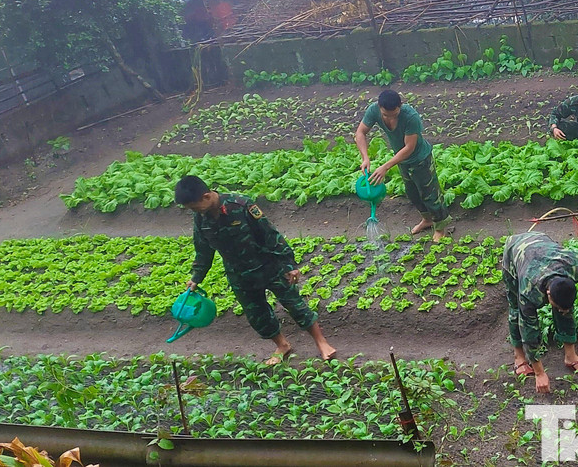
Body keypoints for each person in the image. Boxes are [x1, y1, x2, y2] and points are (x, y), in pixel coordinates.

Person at [175, 175, 337, 364]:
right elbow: (203, 250)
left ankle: (321, 342)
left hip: (269, 266)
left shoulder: (241, 205)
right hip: (240, 275)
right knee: (257, 315)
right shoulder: (201, 219)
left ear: (206, 196)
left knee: (295, 305)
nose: (195, 212)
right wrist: (196, 278)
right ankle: (282, 345)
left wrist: (289, 265)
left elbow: (270, 234)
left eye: (195, 207)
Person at [503, 230, 578, 394]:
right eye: (556, 306)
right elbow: (529, 329)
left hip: (541, 240)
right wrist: (539, 373)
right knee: (517, 309)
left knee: (565, 311)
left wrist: (563, 308)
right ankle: (519, 358)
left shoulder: (574, 264)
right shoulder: (529, 289)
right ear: (548, 294)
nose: (560, 310)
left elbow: (565, 306)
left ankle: (570, 356)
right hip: (515, 251)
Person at [355, 90, 452, 239]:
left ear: (400, 106)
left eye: (394, 114)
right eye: (386, 115)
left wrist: (385, 166)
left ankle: (440, 228)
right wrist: (365, 158)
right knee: (412, 193)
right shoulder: (373, 110)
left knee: (430, 194)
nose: (390, 117)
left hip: (420, 159)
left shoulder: (410, 117)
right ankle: (427, 220)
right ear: (379, 107)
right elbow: (360, 133)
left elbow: (409, 148)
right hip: (402, 161)